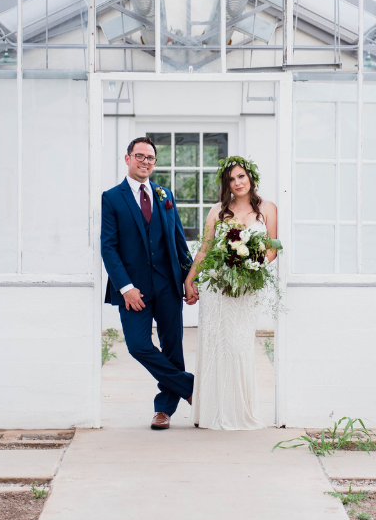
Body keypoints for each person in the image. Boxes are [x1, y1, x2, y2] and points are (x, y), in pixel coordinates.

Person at [100, 136, 199, 431]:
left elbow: (178, 241)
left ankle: (164, 411)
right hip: (135, 291)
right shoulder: (112, 197)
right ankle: (190, 386)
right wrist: (125, 287)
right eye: (140, 156)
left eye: (150, 158)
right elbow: (109, 246)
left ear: (154, 163)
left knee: (173, 348)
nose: (145, 162)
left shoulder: (164, 194)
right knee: (138, 345)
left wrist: (189, 279)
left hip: (168, 285)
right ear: (128, 158)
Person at [182, 157, 276, 432]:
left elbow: (271, 249)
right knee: (215, 345)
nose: (237, 183)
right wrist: (190, 280)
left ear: (250, 178)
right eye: (231, 179)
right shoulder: (217, 211)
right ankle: (211, 412)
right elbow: (205, 249)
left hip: (247, 288)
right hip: (218, 290)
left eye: (241, 177)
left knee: (238, 345)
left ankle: (238, 412)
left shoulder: (268, 209)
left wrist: (251, 266)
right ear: (226, 184)